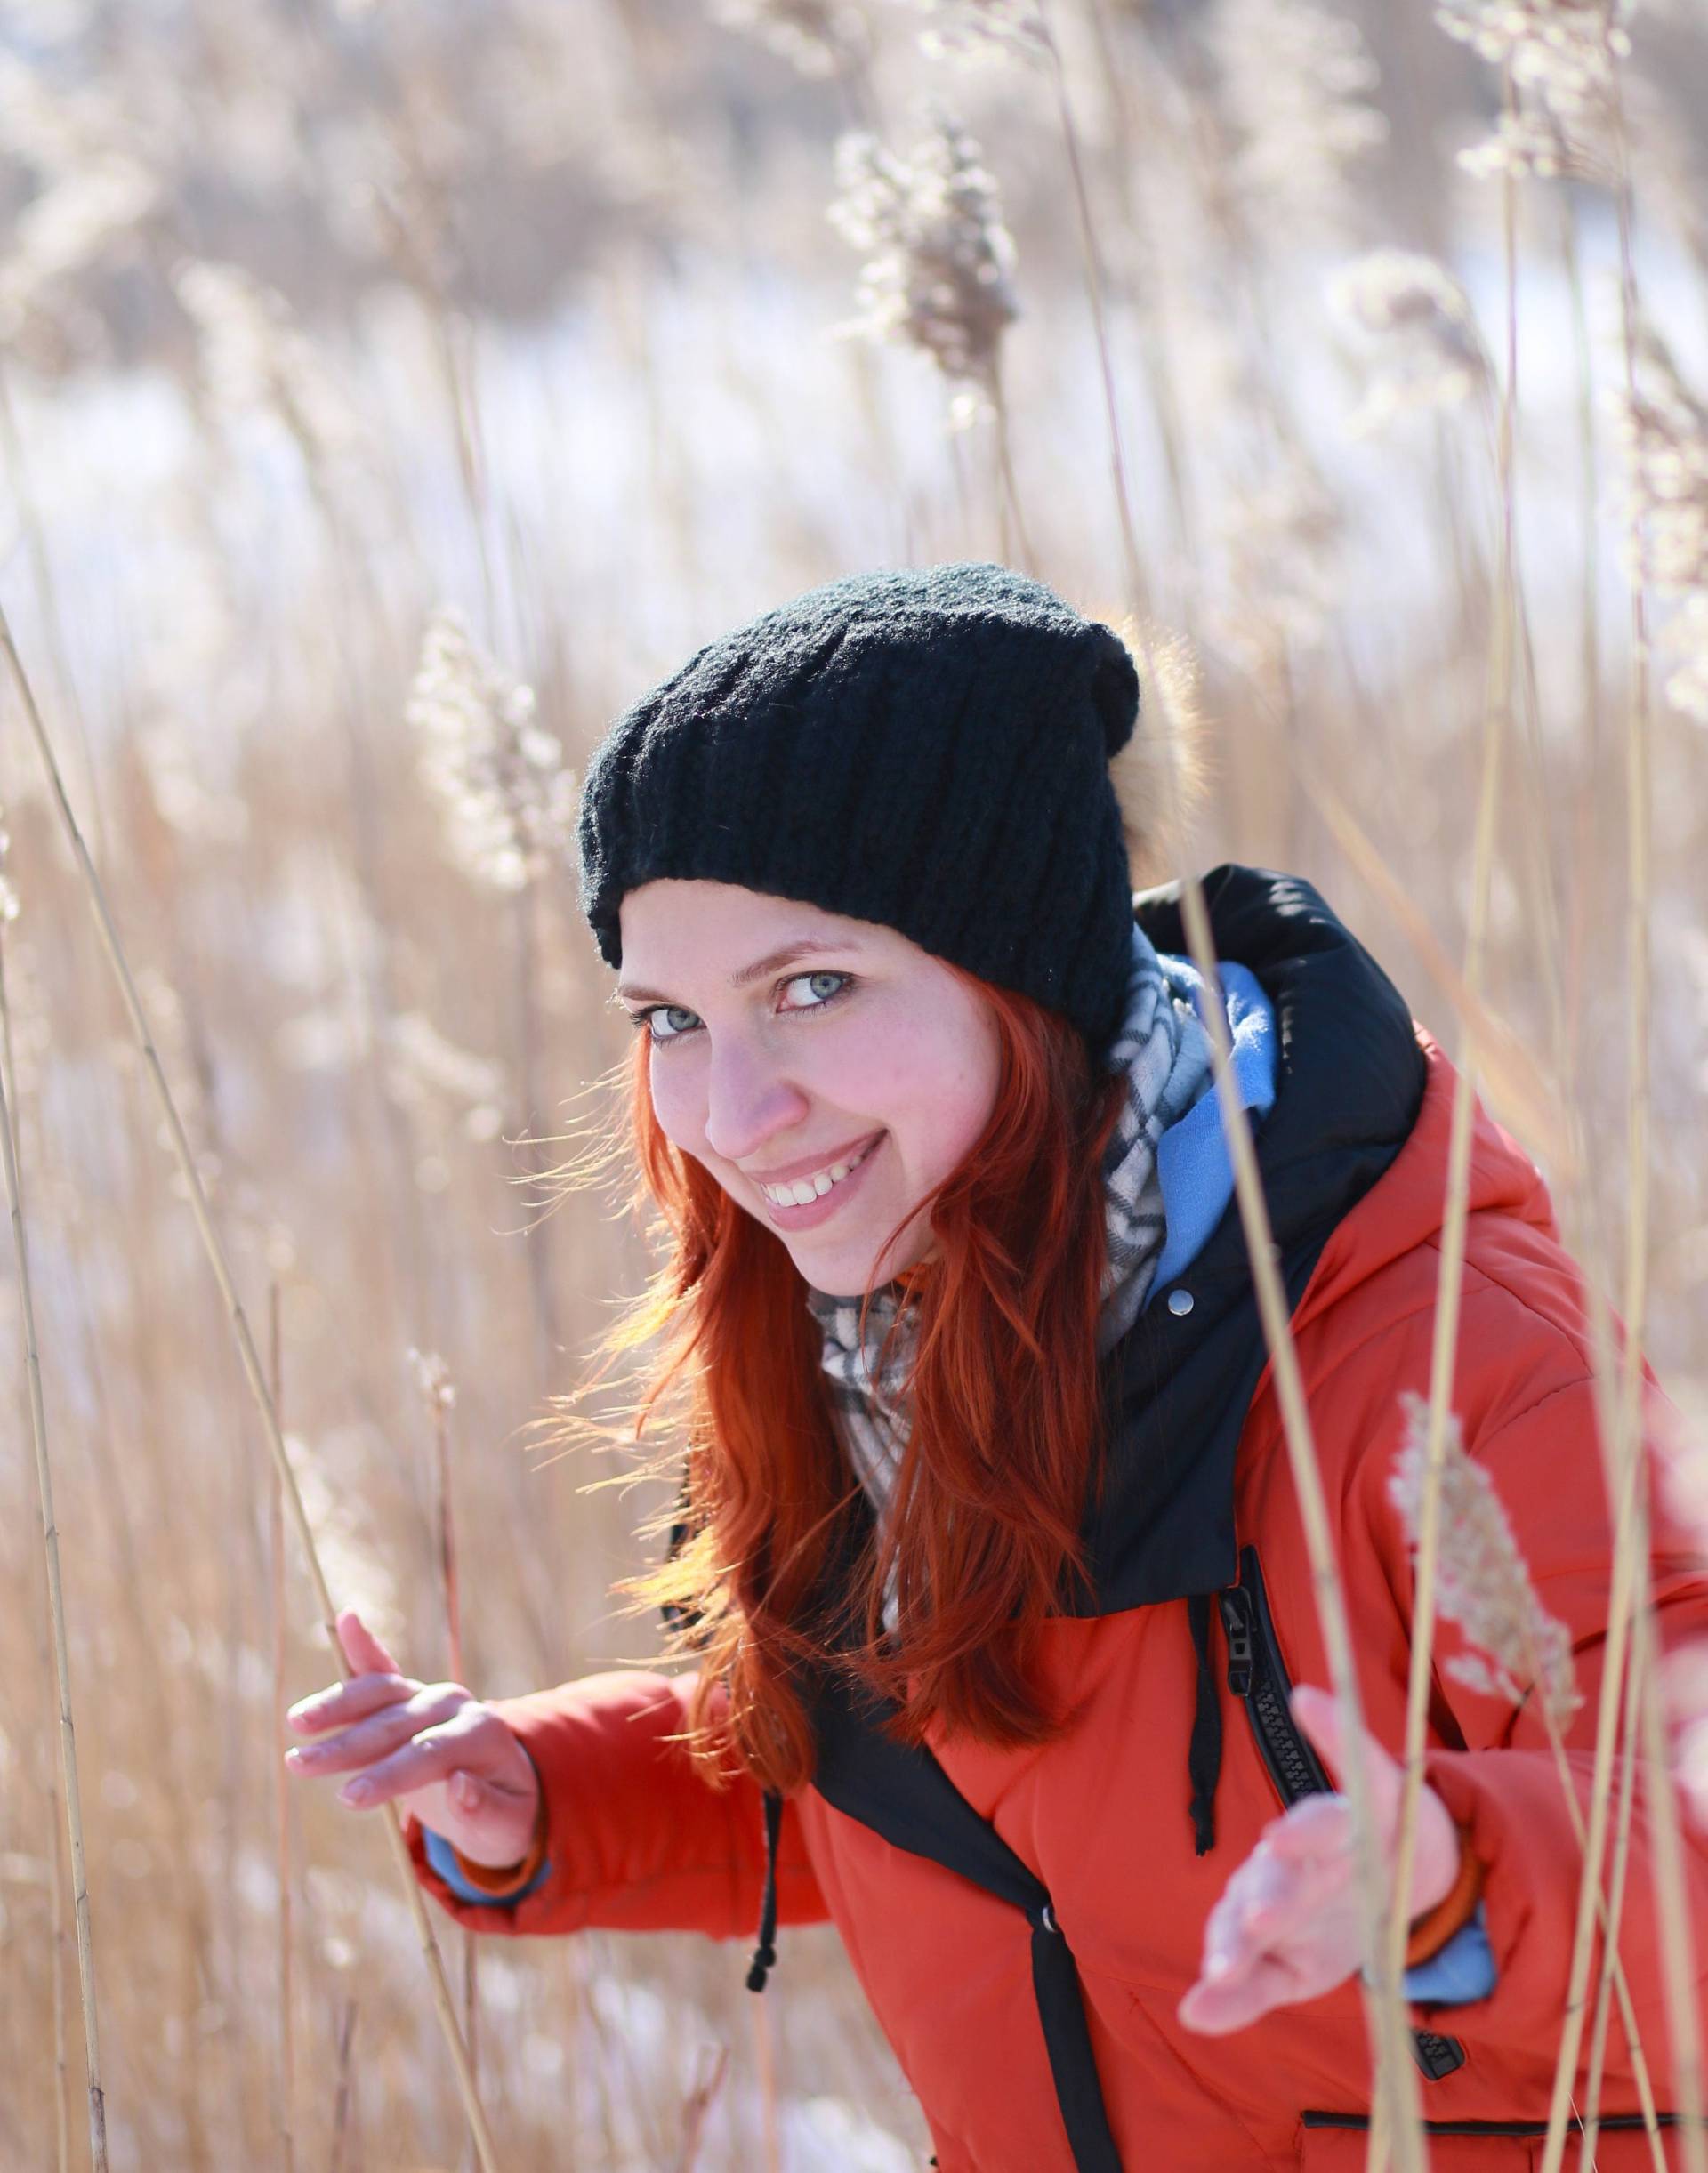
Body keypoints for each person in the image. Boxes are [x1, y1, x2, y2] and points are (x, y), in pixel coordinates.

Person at [285, 563, 1708, 2169]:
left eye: (811, 989)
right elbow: (972, 1783)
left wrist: (1451, 1872)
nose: (733, 1118)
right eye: (671, 1019)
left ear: (1032, 977)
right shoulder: (866, 1329)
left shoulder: (1438, 1356)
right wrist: (545, 1794)